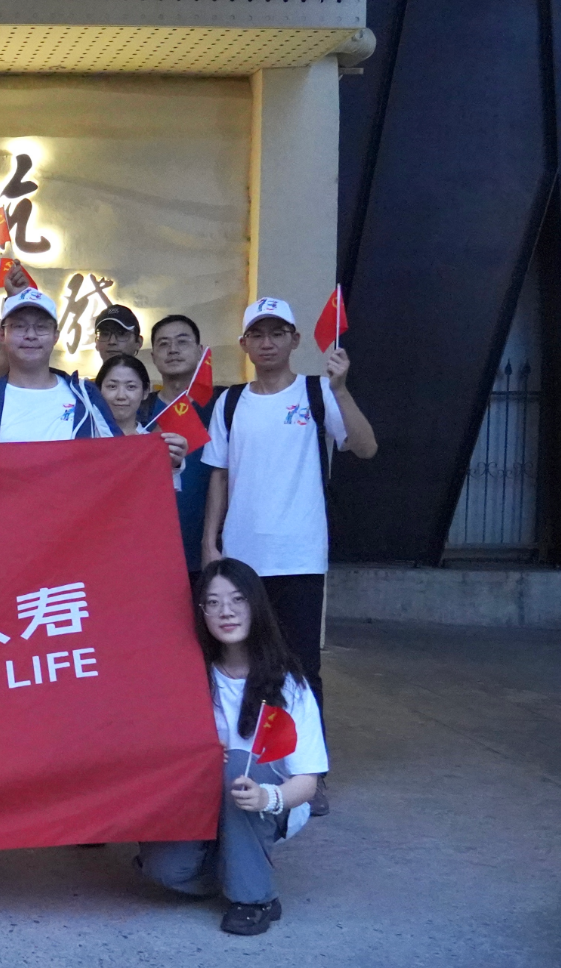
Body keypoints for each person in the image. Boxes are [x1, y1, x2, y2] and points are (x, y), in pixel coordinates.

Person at [201, 298, 378, 813]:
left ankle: (308, 775)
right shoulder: (231, 402)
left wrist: (341, 389)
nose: (268, 342)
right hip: (243, 559)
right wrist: (210, 541)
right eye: (258, 334)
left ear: (295, 340)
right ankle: (247, 763)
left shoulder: (319, 393)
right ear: (244, 344)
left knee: (301, 666)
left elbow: (365, 447)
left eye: (278, 333)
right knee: (238, 662)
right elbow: (219, 474)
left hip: (299, 554)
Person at [136, 558, 328, 936]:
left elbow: (307, 783)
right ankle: (238, 868)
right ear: (201, 612)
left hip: (268, 802)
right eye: (213, 602)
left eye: (238, 599)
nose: (226, 611)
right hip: (202, 803)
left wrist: (267, 797)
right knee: (164, 870)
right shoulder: (188, 677)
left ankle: (254, 899)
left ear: (256, 606)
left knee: (240, 764)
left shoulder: (289, 684)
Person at [0, 288, 127, 447]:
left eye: (41, 327)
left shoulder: (86, 395)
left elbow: (118, 457)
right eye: (19, 326)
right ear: (2, 334)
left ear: (55, 336)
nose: (31, 335)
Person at [145, 314, 221, 588]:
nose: (173, 350)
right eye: (164, 344)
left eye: (182, 341)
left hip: (212, 548)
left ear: (200, 351)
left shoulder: (223, 405)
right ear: (153, 357)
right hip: (153, 551)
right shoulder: (140, 410)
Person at [95, 354, 188, 476]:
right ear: (98, 390)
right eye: (112, 386)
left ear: (145, 391)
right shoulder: (83, 435)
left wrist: (173, 465)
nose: (121, 396)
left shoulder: (154, 446)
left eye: (131, 387)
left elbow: (165, 487)